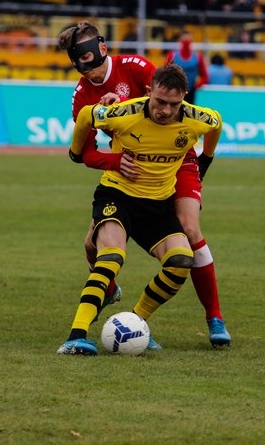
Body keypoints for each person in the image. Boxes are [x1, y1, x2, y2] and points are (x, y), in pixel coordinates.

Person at [56, 21, 231, 347]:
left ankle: (214, 318)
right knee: (92, 246)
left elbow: (168, 94)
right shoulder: (83, 96)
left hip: (177, 158)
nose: (86, 70)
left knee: (190, 230)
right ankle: (110, 297)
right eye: (79, 64)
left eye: (89, 61)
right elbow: (84, 153)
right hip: (130, 166)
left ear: (101, 49)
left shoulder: (135, 67)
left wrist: (204, 161)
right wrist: (113, 160)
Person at [165, 31, 209, 104]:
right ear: (180, 40)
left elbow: (205, 76)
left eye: (188, 40)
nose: (186, 42)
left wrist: (197, 86)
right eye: (184, 39)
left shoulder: (198, 57)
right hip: (175, 90)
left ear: (192, 41)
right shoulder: (172, 55)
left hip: (191, 91)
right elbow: (165, 74)